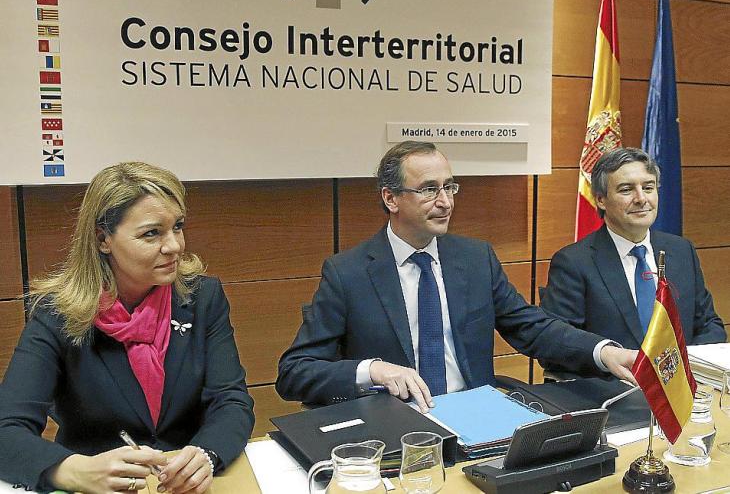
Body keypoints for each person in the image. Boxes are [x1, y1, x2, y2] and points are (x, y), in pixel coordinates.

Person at [276, 141, 638, 413]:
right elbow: (295, 372)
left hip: (477, 415)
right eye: (429, 189)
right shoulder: (348, 273)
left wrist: (602, 352)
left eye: (449, 187)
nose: (445, 202)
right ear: (391, 198)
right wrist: (373, 370)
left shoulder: (475, 259)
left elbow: (532, 327)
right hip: (398, 422)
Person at [0, 162, 255, 493]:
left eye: (177, 227)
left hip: (185, 485)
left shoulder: (202, 297)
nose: (174, 246)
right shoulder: (57, 313)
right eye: (152, 233)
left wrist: (207, 453)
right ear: (103, 239)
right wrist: (74, 470)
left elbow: (231, 400)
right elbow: (6, 429)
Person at [540, 147, 725, 359]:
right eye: (626, 190)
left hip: (682, 376)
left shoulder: (682, 250)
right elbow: (557, 343)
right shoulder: (573, 262)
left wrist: (683, 366)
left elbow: (709, 324)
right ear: (601, 199)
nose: (641, 198)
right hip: (613, 379)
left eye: (648, 187)